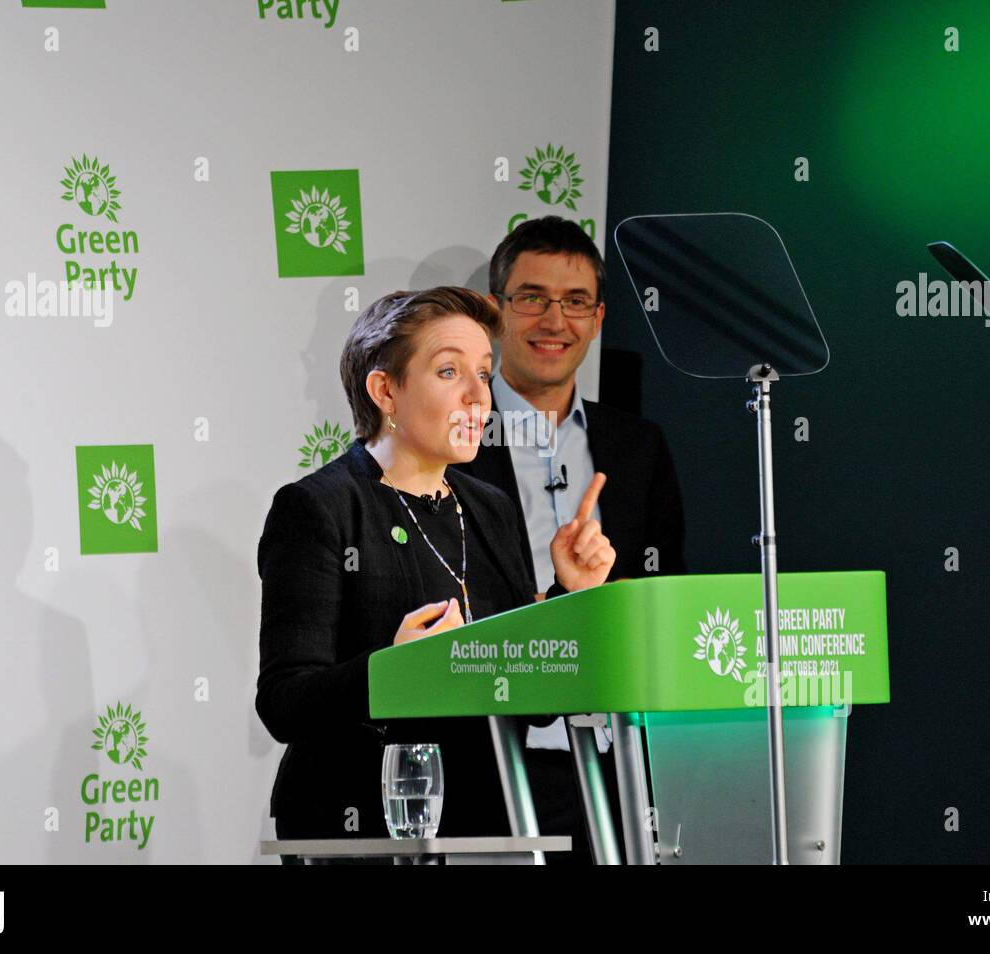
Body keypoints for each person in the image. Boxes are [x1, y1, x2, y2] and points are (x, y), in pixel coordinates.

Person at [255, 286, 616, 856]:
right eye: (450, 372)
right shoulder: (319, 507)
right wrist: (398, 671)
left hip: (490, 818)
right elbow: (284, 702)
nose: (480, 397)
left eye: (484, 372)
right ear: (385, 391)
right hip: (360, 824)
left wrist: (566, 597)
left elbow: (527, 695)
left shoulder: (490, 507)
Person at [451, 216, 688, 863]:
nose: (554, 320)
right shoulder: (450, 441)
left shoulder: (638, 445)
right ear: (497, 311)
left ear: (599, 316)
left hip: (621, 763)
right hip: (495, 758)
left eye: (575, 301)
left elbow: (665, 593)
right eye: (532, 298)